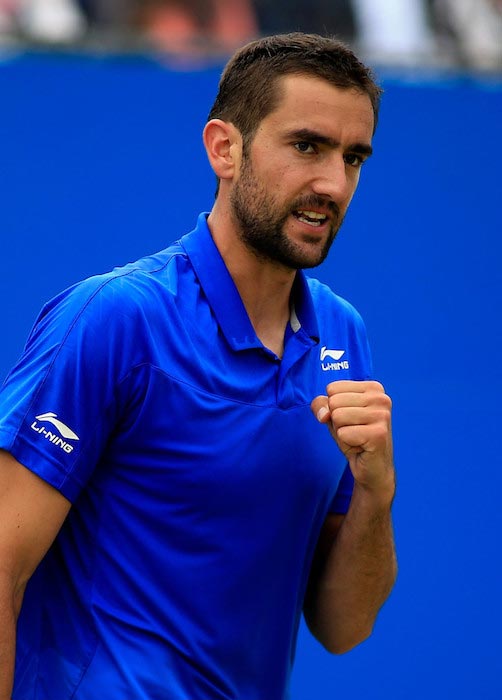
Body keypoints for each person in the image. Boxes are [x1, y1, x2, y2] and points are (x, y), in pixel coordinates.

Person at [0, 32, 397, 699]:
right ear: (225, 149)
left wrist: (377, 492)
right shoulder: (114, 318)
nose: (333, 183)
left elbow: (344, 625)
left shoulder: (343, 336)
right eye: (306, 146)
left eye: (353, 157)